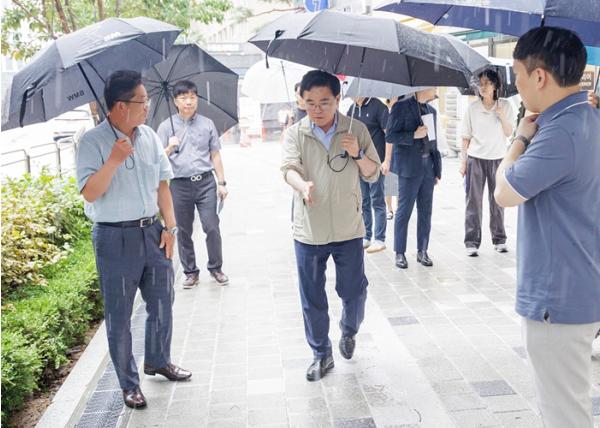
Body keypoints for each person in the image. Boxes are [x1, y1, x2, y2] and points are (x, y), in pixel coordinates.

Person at [494, 27, 600, 428]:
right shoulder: (587, 118)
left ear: (539, 76)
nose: (516, 86)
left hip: (558, 297)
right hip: (580, 282)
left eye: (518, 75)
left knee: (564, 414)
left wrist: (519, 139)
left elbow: (504, 192)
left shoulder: (558, 133)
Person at [76, 70, 191, 409]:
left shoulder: (150, 136)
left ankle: (158, 360)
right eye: (142, 101)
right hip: (114, 238)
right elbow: (90, 193)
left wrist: (170, 229)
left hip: (152, 232)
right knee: (120, 315)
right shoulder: (92, 142)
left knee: (162, 301)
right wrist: (113, 160)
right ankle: (129, 384)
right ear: (121, 106)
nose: (147, 106)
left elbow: (163, 185)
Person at [281, 70, 380, 381]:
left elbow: (373, 173)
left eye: (324, 102)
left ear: (338, 99)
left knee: (353, 291)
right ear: (302, 101)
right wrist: (302, 185)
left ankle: (349, 329)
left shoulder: (356, 129)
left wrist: (357, 153)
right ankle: (321, 354)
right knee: (311, 296)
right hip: (309, 229)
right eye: (310, 103)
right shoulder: (296, 134)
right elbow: (288, 169)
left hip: (348, 228)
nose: (317, 109)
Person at [157, 80, 229, 289]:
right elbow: (157, 160)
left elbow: (215, 155)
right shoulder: (165, 127)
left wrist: (222, 182)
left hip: (206, 183)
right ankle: (190, 272)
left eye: (192, 97)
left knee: (211, 226)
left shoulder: (207, 124)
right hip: (179, 185)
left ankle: (216, 268)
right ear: (175, 101)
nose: (188, 102)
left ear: (197, 99)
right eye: (183, 98)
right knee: (183, 230)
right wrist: (169, 148)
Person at [385, 88, 442, 269]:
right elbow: (390, 135)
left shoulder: (432, 111)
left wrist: (437, 169)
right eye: (434, 86)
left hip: (428, 167)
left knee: (426, 211)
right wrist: (413, 135)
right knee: (404, 211)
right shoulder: (400, 107)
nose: (436, 89)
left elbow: (433, 142)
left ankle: (422, 250)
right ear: (423, 87)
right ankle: (399, 252)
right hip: (408, 168)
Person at [460, 68, 514, 257]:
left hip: (498, 159)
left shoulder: (505, 105)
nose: (483, 87)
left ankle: (499, 239)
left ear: (495, 86)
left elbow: (509, 133)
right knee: (473, 202)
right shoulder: (472, 108)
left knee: (497, 200)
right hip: (475, 159)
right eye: (480, 84)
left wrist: (501, 116)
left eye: (487, 83)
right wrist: (463, 162)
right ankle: (471, 242)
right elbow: (465, 137)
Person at [347, 97, 389, 253]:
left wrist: (387, 160)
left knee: (377, 200)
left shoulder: (378, 106)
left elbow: (388, 135)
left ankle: (380, 239)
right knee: (363, 200)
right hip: (358, 162)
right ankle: (366, 235)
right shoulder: (351, 110)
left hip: (376, 163)